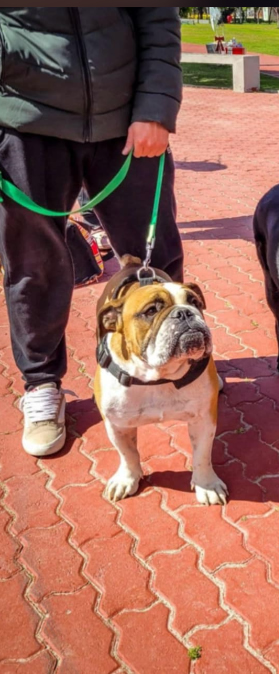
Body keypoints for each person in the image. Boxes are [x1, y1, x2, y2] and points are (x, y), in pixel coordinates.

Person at [0, 8, 184, 456]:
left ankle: (176, 358)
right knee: (34, 267)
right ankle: (42, 384)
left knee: (156, 258)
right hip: (27, 122)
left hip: (127, 121)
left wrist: (156, 106)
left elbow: (157, 18)